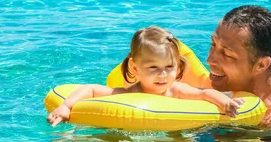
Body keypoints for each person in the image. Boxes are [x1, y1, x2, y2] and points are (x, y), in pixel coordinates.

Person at [47, 26, 244, 127]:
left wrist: (225, 104)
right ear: (135, 67)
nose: (163, 74)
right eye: (153, 67)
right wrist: (66, 106)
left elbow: (206, 94)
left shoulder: (176, 90)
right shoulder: (125, 95)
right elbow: (90, 89)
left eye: (169, 66)